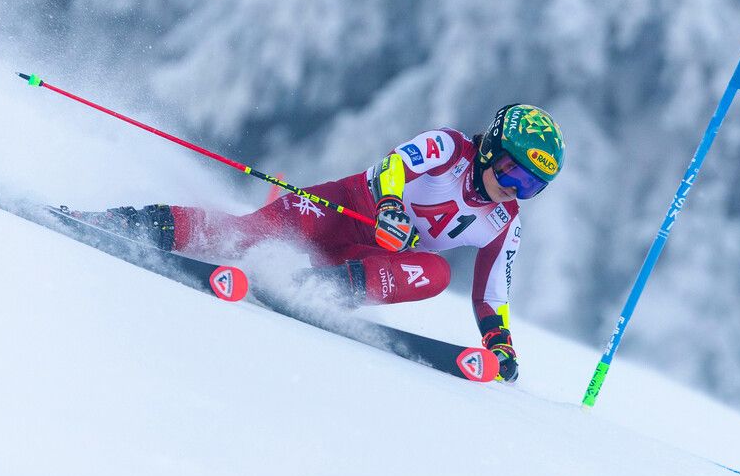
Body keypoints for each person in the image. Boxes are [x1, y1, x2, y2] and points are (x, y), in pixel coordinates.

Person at [74, 104, 564, 383]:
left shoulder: (504, 221)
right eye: (511, 171)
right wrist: (390, 206)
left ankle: (318, 289)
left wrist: (499, 342)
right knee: (245, 236)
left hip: (366, 260)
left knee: (436, 274)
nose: (514, 188)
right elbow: (396, 164)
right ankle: (126, 223)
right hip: (341, 210)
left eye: (531, 185)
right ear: (489, 149)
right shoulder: (450, 148)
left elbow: (492, 293)